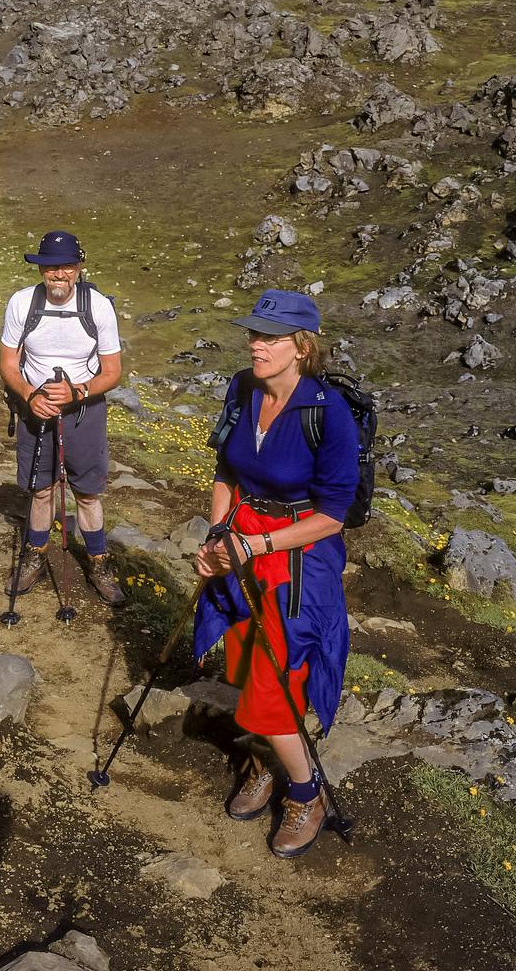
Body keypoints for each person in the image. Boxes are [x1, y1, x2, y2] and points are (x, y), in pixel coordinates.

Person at [193, 289, 357, 859]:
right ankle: (263, 761)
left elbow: (333, 517)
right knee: (242, 658)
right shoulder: (242, 387)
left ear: (302, 347)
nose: (255, 343)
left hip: (297, 553)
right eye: (254, 333)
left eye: (269, 336)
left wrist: (255, 542)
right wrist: (218, 539)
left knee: (272, 680)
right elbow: (224, 469)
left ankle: (305, 794)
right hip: (240, 540)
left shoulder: (327, 413)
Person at [0, 230, 126, 606]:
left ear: (79, 267)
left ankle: (99, 562)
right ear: (40, 269)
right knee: (41, 489)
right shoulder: (22, 303)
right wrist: (29, 395)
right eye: (51, 267)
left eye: (67, 267)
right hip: (35, 410)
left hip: (84, 410)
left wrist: (78, 392)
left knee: (87, 492)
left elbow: (113, 370)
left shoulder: (98, 306)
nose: (59, 275)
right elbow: (8, 363)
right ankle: (35, 556)